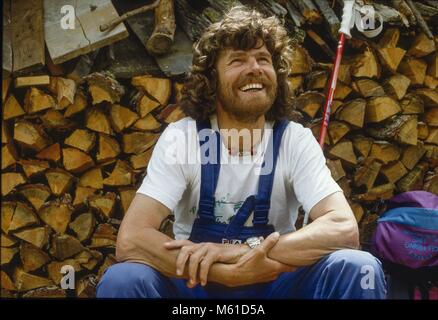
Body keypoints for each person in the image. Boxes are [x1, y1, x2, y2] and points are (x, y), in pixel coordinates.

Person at [96, 6, 386, 299]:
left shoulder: (293, 140)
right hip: (196, 290)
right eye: (238, 60)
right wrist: (221, 271)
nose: (255, 68)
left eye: (263, 59)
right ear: (211, 79)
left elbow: (343, 228)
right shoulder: (183, 139)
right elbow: (132, 238)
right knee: (124, 280)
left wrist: (243, 252)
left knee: (357, 266)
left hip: (275, 281)